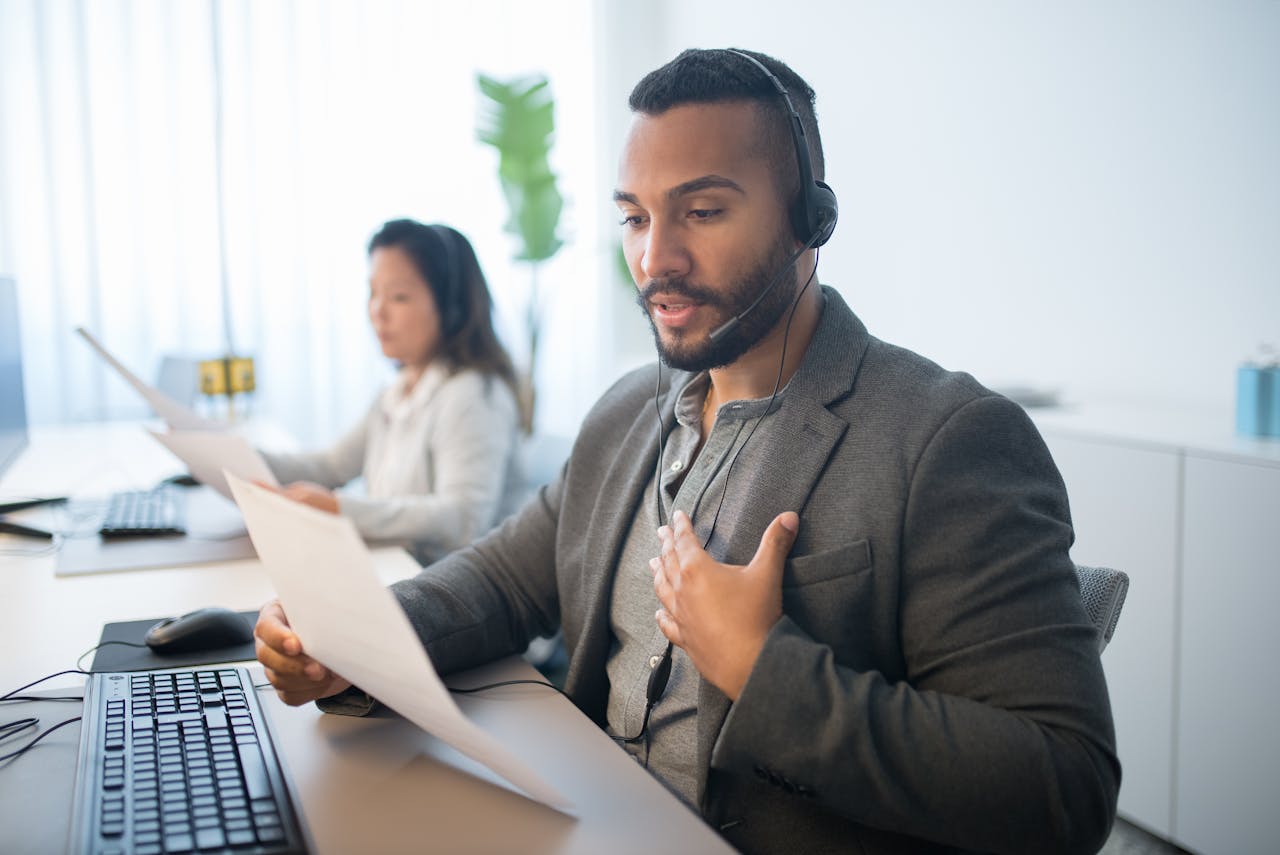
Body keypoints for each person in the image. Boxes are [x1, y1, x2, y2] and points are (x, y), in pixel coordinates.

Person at [256, 49, 1119, 854]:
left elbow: (1063, 784)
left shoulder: (946, 438)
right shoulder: (630, 410)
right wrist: (355, 636)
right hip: (578, 816)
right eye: (635, 217)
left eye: (702, 211)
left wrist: (759, 666)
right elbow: (509, 577)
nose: (654, 259)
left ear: (809, 220)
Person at [260, 219, 523, 566]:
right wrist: (235, 459)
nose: (377, 312)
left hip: (453, 597)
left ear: (449, 308)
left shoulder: (473, 395)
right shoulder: (398, 391)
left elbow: (463, 518)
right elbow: (331, 465)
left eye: (398, 296)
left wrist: (341, 509)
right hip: (398, 574)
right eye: (373, 293)